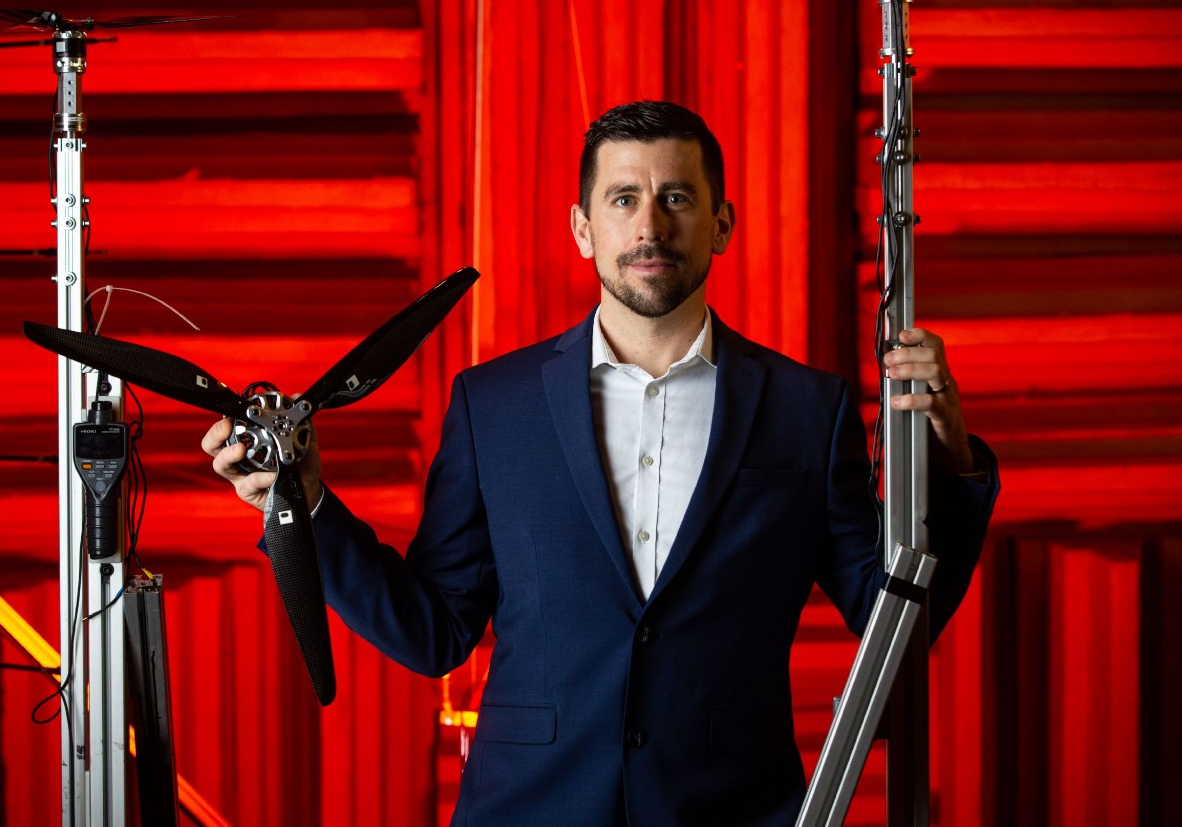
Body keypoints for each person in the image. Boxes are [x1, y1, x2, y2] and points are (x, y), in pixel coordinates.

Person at [203, 101, 998, 826]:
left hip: (730, 811)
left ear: (721, 223)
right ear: (584, 227)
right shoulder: (493, 404)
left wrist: (950, 456)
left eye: (676, 198)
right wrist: (304, 503)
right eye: (623, 199)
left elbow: (891, 620)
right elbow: (435, 629)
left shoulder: (806, 410)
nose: (650, 224)